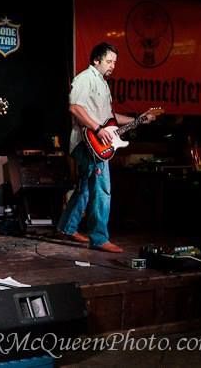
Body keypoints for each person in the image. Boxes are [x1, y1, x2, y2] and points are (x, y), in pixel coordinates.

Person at [56, 42, 155, 253]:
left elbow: (110, 117)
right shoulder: (85, 78)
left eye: (114, 62)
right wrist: (98, 129)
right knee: (102, 189)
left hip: (94, 141)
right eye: (109, 61)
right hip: (87, 143)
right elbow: (75, 107)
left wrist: (138, 119)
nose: (112, 66)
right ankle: (99, 238)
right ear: (96, 60)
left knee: (85, 188)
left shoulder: (102, 83)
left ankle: (67, 227)